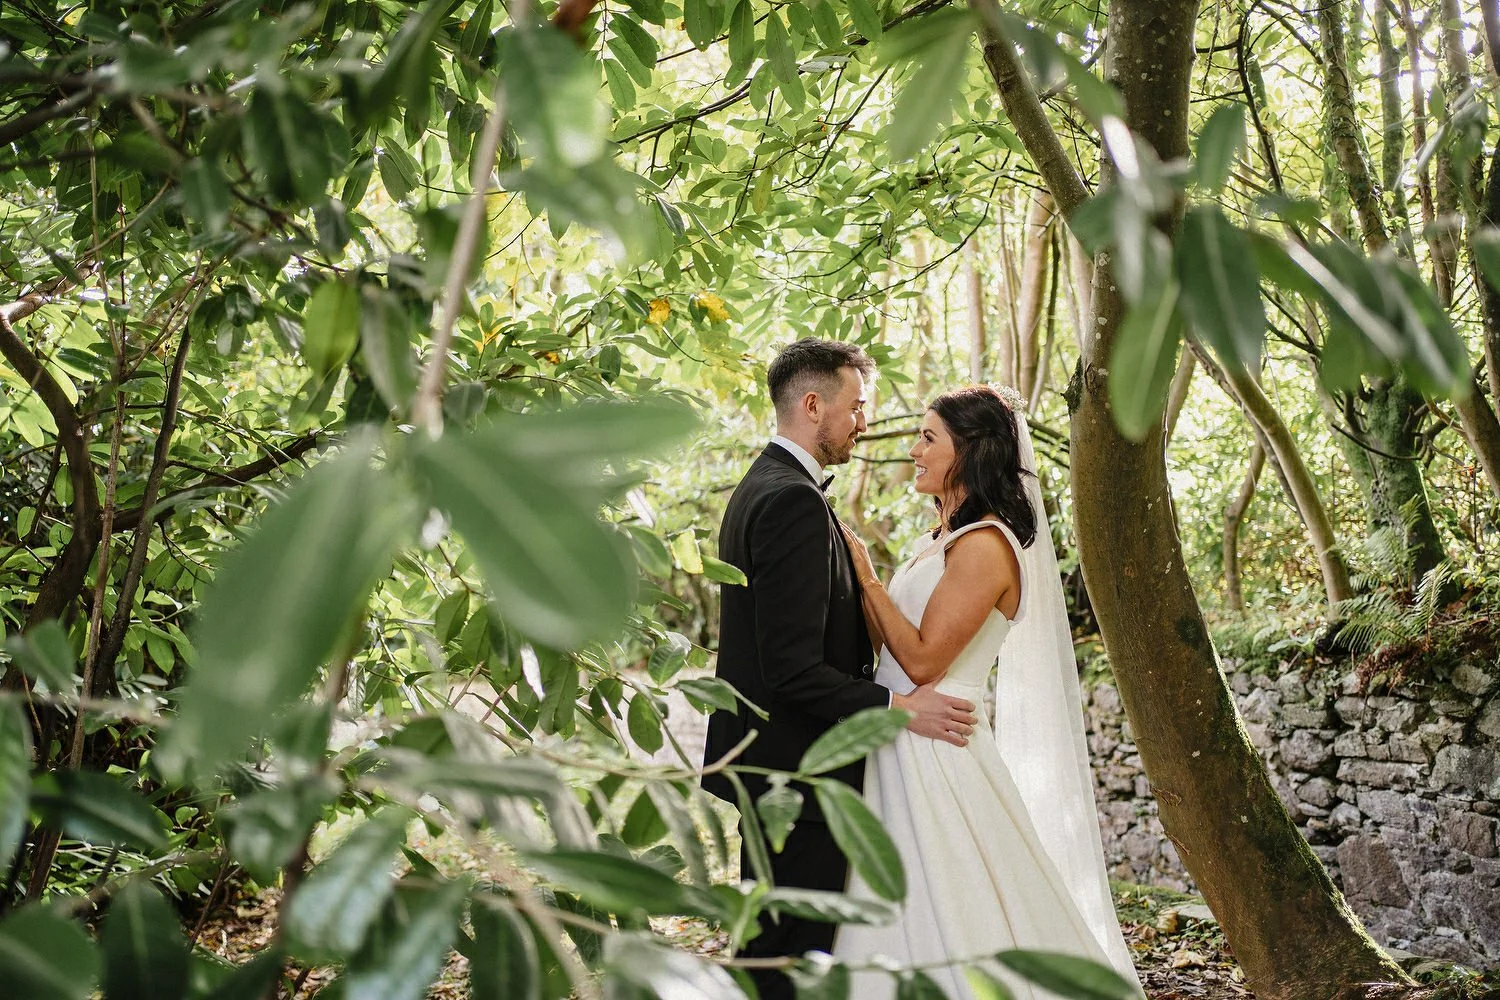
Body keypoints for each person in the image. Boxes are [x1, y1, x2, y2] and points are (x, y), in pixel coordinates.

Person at [833, 384, 1143, 999]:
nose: (914, 452)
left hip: (936, 748)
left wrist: (867, 576)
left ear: (970, 450)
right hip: (899, 732)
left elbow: (923, 661)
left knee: (956, 905)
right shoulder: (939, 542)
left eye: (928, 438)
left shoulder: (985, 546)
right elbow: (890, 645)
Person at [701, 339, 979, 1000]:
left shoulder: (765, 486)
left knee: (770, 946)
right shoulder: (792, 500)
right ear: (813, 404)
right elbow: (792, 667)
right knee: (788, 958)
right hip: (798, 774)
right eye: (856, 406)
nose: (863, 421)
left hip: (775, 764)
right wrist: (900, 709)